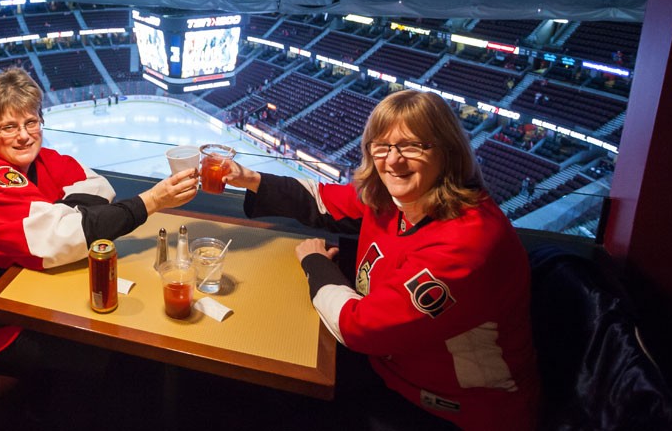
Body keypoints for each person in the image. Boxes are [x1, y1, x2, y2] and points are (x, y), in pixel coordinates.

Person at [222, 90, 538, 430]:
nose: (393, 160)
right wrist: (248, 178)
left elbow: (360, 329)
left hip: (454, 410)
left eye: (413, 146)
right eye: (382, 146)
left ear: (448, 151)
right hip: (391, 370)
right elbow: (325, 200)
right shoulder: (391, 198)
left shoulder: (469, 240)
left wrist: (315, 263)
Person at [0, 69, 197, 416]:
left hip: (12, 296)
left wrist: (62, 218)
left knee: (118, 345)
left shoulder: (41, 160)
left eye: (31, 122)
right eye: (8, 127)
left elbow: (99, 188)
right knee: (102, 357)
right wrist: (151, 200)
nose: (24, 136)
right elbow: (61, 240)